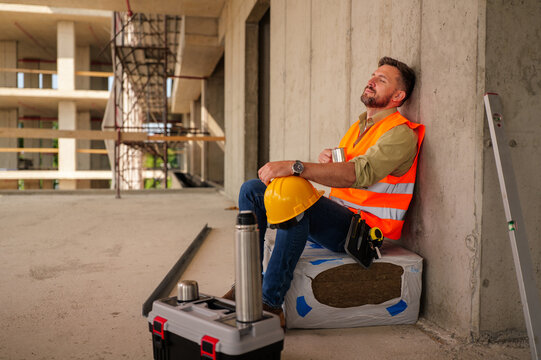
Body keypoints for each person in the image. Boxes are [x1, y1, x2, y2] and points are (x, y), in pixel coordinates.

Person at [225, 57, 425, 328]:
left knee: (292, 192)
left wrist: (296, 167)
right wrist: (330, 161)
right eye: (372, 76)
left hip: (363, 234)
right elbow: (347, 171)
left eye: (382, 80)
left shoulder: (400, 134)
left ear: (398, 96)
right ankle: (248, 284)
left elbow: (357, 174)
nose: (371, 82)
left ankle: (271, 304)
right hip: (341, 219)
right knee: (251, 190)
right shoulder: (360, 127)